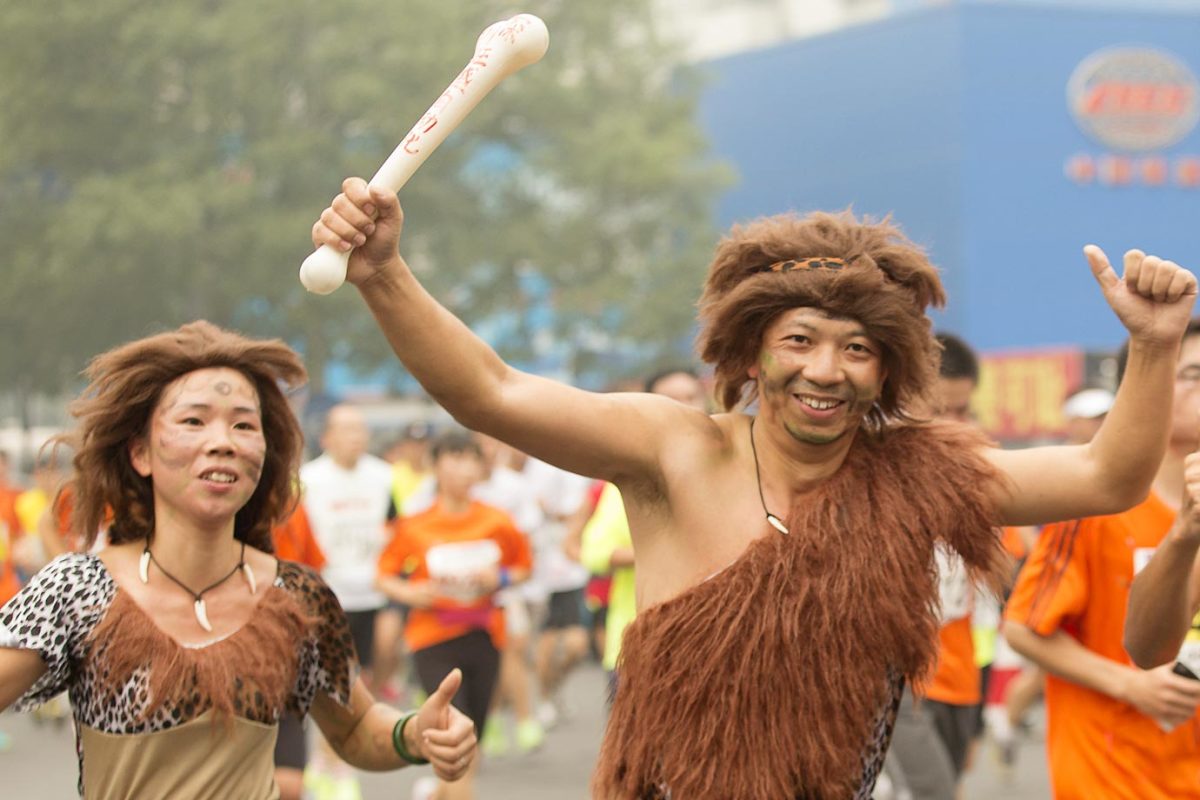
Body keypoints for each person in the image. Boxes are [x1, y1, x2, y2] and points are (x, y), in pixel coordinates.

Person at [312, 176, 1195, 798]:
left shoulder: (918, 473)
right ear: (750, 350)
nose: (827, 370)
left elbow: (1105, 474)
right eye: (801, 339)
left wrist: (1154, 345)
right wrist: (385, 273)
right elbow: (492, 392)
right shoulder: (674, 448)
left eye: (858, 349)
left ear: (886, 371)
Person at [0, 321, 477, 798]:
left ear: (263, 455)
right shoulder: (78, 589)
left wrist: (415, 734)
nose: (223, 441)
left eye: (244, 425)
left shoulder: (296, 596)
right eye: (194, 421)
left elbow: (356, 729)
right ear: (140, 453)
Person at [1003, 324, 1200, 799]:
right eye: (1193, 373)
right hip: (1109, 774)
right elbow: (1023, 628)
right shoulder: (1095, 507)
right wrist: (1130, 685)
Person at [376, 430, 533, 800]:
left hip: (485, 635)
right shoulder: (415, 524)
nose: (464, 469)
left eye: (471, 460)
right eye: (455, 459)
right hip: (433, 639)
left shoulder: (498, 520)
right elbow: (383, 575)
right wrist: (411, 592)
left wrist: (502, 576)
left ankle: (437, 794)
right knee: (452, 731)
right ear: (435, 466)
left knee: (469, 742)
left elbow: (524, 566)